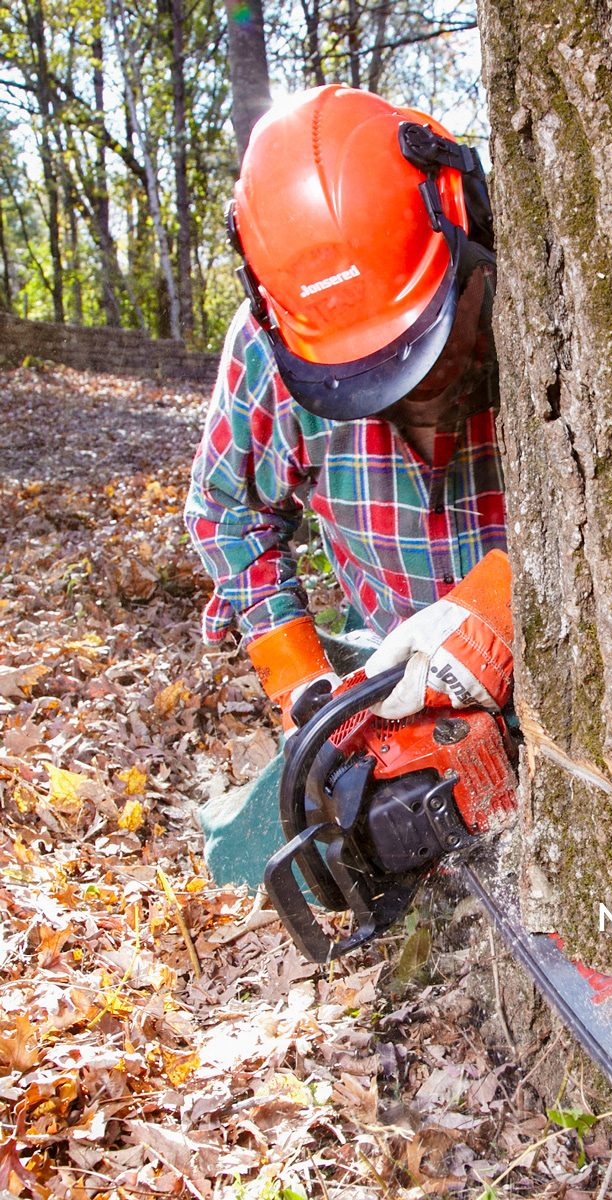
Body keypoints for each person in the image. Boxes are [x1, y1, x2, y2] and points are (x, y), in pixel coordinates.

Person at [185, 85, 513, 880]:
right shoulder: (271, 344)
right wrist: (304, 686)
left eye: (420, 352)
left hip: (566, 659)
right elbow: (227, 514)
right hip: (396, 670)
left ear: (461, 223)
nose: (405, 394)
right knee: (248, 855)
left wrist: (507, 602)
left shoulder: (557, 292)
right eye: (367, 375)